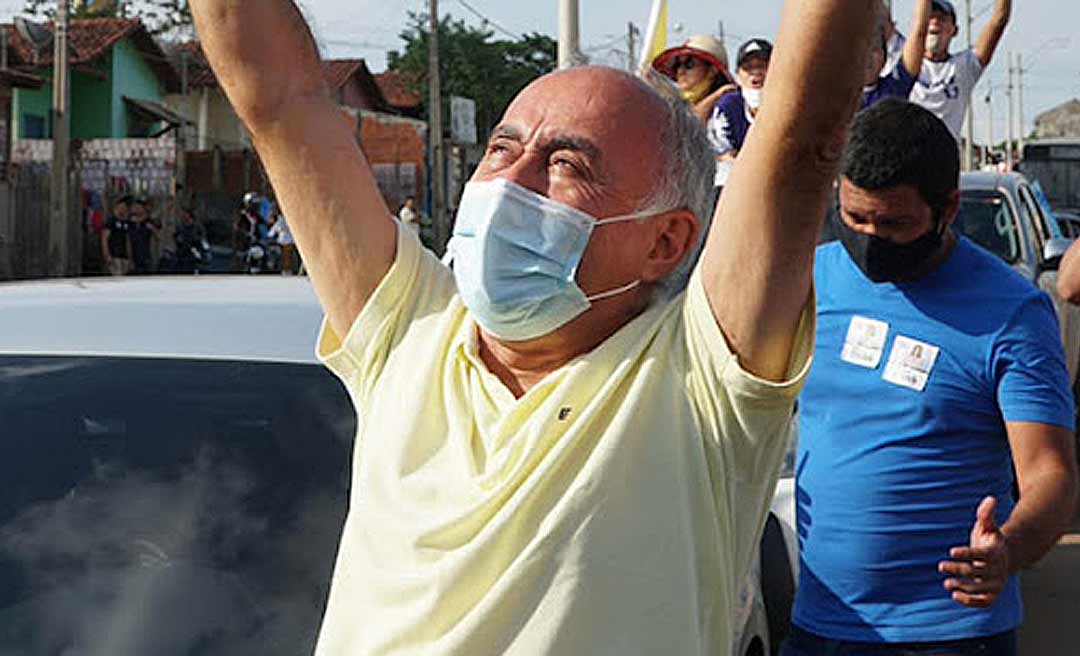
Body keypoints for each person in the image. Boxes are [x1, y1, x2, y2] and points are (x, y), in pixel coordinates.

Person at [191, 0, 877, 652]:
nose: (511, 182)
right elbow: (281, 101)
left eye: (565, 165)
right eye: (500, 149)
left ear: (666, 242)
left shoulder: (699, 382)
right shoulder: (409, 332)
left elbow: (801, 137)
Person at [785, 99, 1078, 656]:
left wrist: (1008, 551)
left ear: (947, 208)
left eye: (894, 224)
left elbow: (1051, 475)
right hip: (820, 625)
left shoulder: (1011, 312)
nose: (871, 239)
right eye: (855, 218)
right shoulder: (811, 279)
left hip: (949, 636)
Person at [908, 0, 1011, 141]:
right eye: (930, 17)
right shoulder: (904, 63)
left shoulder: (964, 66)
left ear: (954, 30)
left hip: (944, 159)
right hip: (908, 156)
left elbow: (999, 20)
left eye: (942, 19)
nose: (935, 22)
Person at [710, 38, 772, 189]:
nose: (756, 73)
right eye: (748, 68)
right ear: (738, 75)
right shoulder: (728, 107)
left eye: (763, 66)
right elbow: (724, 155)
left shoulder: (791, 104)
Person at [862, 0, 931, 110]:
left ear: (884, 58)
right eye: (863, 50)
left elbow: (919, 32)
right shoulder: (835, 93)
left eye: (875, 49)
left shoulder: (894, 88)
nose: (868, 57)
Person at [652, 34, 736, 122]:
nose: (680, 71)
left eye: (689, 64)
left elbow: (688, 126)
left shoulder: (730, 103)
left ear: (712, 71)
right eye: (677, 65)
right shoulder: (673, 104)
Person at [101, 195, 133, 276]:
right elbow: (104, 238)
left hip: (124, 256)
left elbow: (127, 240)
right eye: (121, 207)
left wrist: (130, 257)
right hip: (114, 255)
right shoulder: (111, 221)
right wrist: (107, 254)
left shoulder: (126, 223)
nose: (122, 209)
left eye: (124, 207)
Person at [128, 197, 159, 275]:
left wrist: (153, 229)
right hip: (133, 257)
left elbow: (158, 237)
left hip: (146, 256)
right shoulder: (130, 222)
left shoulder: (149, 221)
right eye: (135, 207)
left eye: (139, 207)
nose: (137, 209)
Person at [268, 209, 299, 274]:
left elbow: (272, 232)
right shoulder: (282, 220)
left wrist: (271, 234)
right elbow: (272, 231)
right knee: (286, 257)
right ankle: (286, 270)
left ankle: (287, 270)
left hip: (287, 241)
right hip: (285, 241)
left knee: (287, 257)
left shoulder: (281, 221)